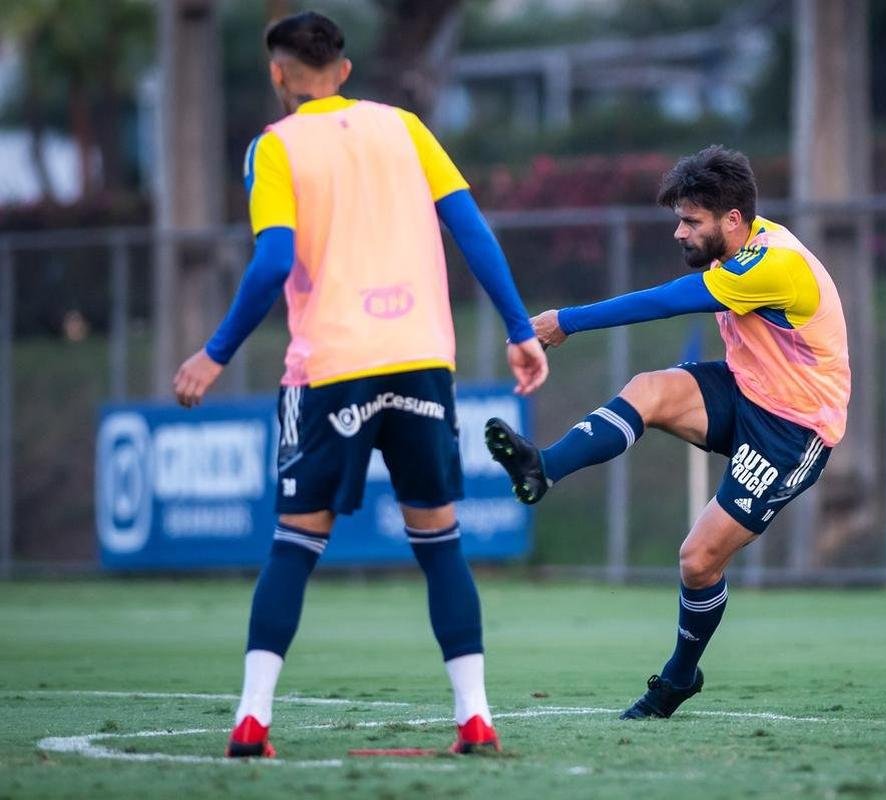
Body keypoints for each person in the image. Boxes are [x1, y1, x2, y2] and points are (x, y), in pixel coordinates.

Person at [172, 11, 548, 756]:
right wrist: (518, 328)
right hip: (420, 360)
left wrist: (214, 353)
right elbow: (471, 229)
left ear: (277, 74)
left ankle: (252, 720)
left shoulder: (273, 148)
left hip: (331, 370)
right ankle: (474, 717)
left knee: (294, 545)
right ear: (343, 71)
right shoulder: (404, 127)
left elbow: (273, 261)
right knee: (440, 544)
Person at [486, 145, 849, 719]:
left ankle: (679, 678)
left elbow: (664, 303)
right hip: (745, 387)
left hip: (794, 428)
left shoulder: (774, 263)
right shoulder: (742, 242)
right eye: (678, 218)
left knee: (697, 561)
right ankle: (543, 467)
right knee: (649, 388)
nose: (679, 232)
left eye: (690, 221)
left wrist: (565, 321)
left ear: (733, 220)